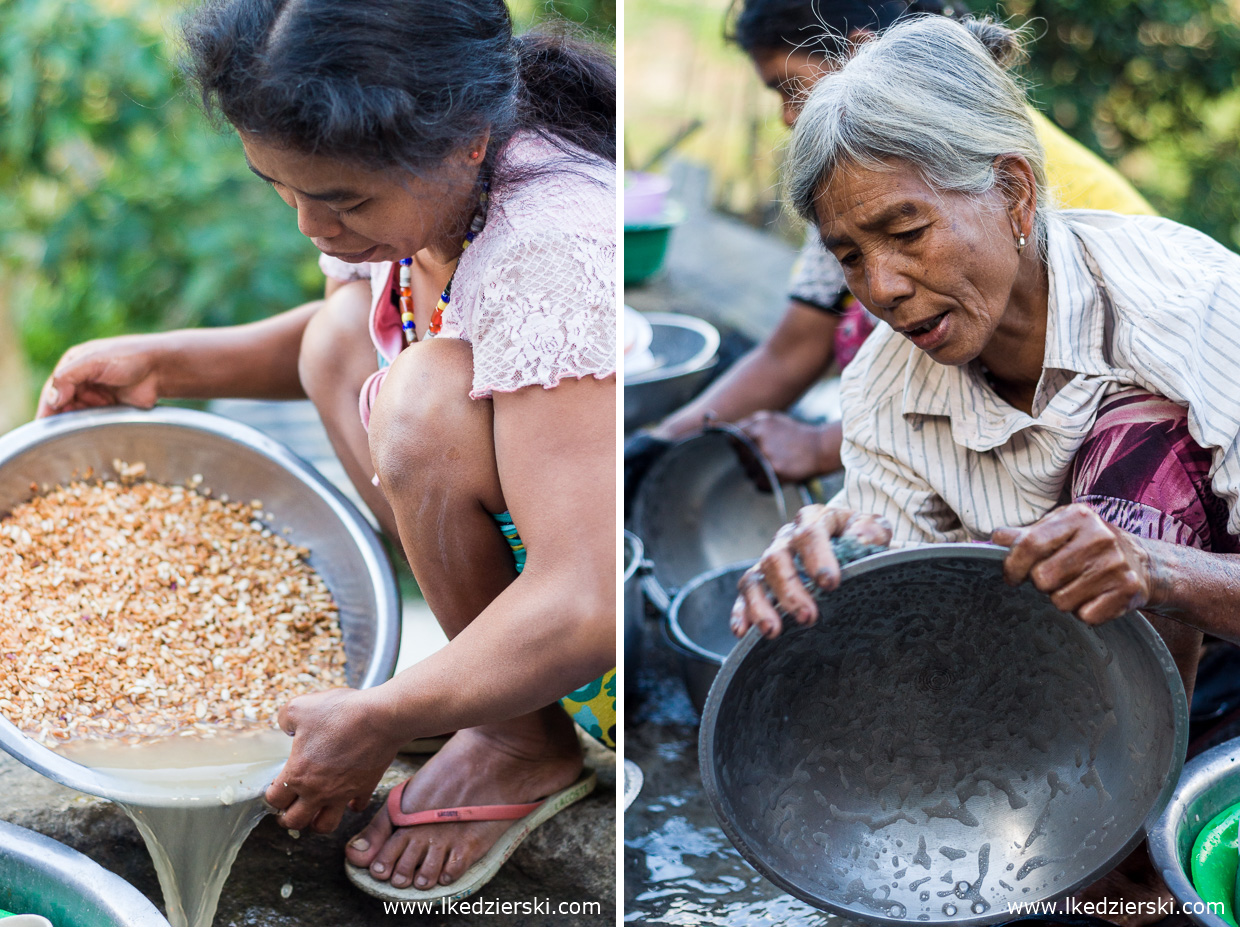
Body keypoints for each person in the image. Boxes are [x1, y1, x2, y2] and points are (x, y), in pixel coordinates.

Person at [37, 0, 616, 904]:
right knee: (338, 335)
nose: (312, 226)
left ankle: (521, 738)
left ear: (467, 141)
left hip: (598, 639)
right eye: (281, 185)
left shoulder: (553, 249)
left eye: (343, 199)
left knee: (421, 402)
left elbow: (586, 599)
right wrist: (165, 360)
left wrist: (383, 712)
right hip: (533, 573)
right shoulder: (416, 199)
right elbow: (374, 328)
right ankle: (476, 692)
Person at [731, 15, 1240, 922]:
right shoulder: (883, 387)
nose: (882, 287)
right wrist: (826, 576)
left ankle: (1134, 848)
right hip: (1058, 708)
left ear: (1012, 192)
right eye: (851, 256)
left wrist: (1157, 568)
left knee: (1143, 444)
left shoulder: (1189, 304)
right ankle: (1092, 861)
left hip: (1221, 683)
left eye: (906, 231)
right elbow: (911, 639)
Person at [624, 0, 1154, 496]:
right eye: (850, 258)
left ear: (857, 56)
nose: (787, 116)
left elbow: (1017, 405)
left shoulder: (968, 163)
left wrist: (823, 443)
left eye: (789, 87)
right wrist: (659, 443)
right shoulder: (859, 179)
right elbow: (794, 348)